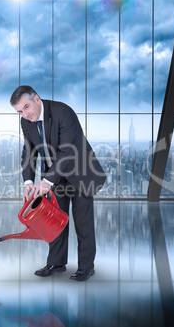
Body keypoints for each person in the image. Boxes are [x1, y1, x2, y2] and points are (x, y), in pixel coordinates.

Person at [10, 85, 106, 282]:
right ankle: (56, 262)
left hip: (80, 173)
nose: (25, 114)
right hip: (55, 177)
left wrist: (46, 180)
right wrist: (29, 180)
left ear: (37, 98)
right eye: (20, 111)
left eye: (27, 107)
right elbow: (29, 151)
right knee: (53, 221)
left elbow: (68, 152)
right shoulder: (26, 122)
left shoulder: (63, 112)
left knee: (83, 223)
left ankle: (86, 267)